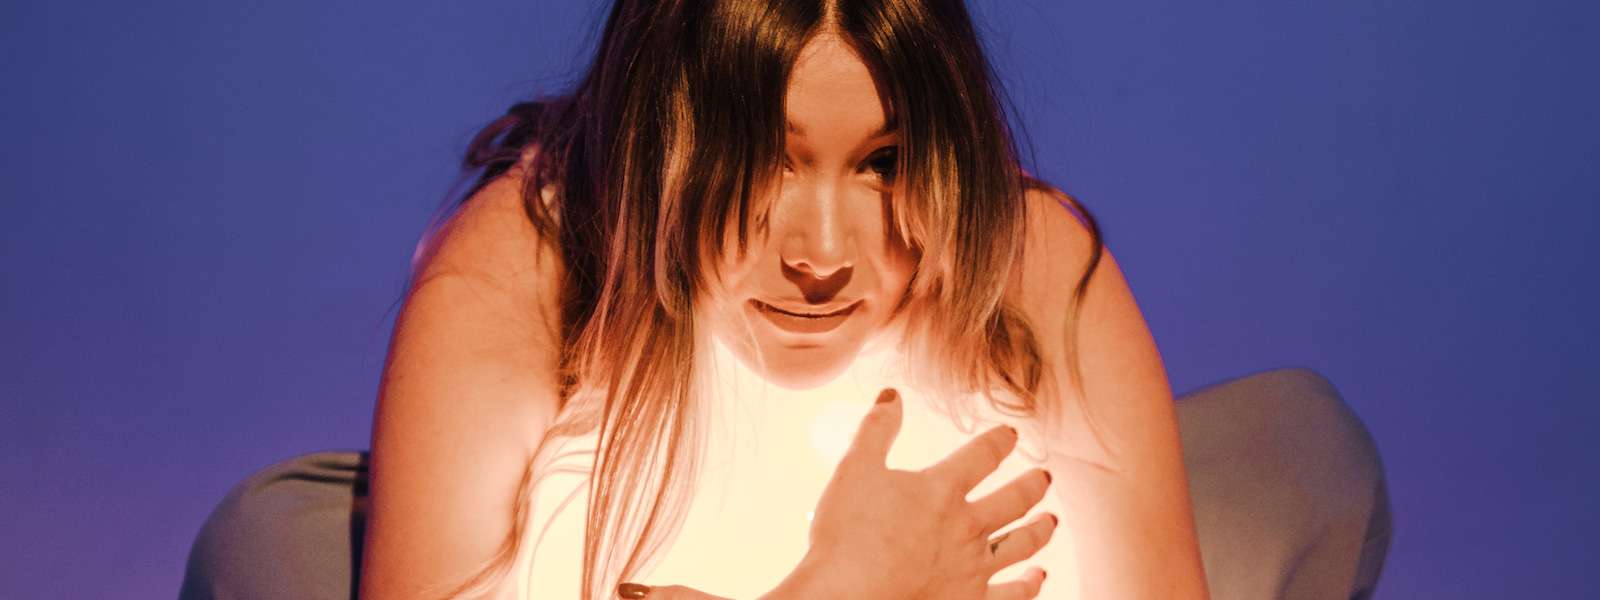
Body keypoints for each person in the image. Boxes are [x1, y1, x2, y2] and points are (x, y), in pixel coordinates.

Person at [179, 1, 1393, 599]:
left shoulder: (1025, 246)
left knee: (1294, 443)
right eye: (761, 159)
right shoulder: (528, 252)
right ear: (655, 141)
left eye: (882, 162)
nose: (820, 253)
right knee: (276, 540)